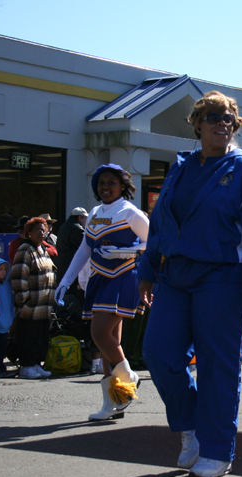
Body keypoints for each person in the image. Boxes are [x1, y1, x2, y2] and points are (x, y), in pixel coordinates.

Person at [138, 91, 242, 477]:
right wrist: (147, 269)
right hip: (173, 276)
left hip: (223, 279)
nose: (223, 123)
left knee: (218, 367)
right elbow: (161, 222)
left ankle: (217, 451)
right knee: (158, 353)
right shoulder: (180, 168)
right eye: (214, 117)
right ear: (197, 124)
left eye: (229, 119)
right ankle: (191, 427)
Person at [55, 164, 148, 421]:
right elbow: (84, 249)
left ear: (122, 186)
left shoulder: (130, 212)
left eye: (111, 183)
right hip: (99, 278)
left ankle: (128, 377)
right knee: (110, 344)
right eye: (101, 183)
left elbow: (155, 243)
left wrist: (124, 252)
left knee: (99, 334)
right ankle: (114, 401)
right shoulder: (95, 213)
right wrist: (66, 280)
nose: (105, 187)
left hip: (123, 277)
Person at [11, 217, 56, 379]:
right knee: (28, 337)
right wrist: (24, 301)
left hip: (44, 307)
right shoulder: (25, 250)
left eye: (44, 230)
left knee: (41, 337)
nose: (41, 233)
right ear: (29, 232)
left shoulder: (43, 250)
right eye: (38, 230)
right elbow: (18, 277)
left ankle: (36, 364)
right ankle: (27, 366)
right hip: (30, 308)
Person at [56, 207, 88, 281]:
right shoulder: (77, 230)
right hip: (71, 268)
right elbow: (87, 245)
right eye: (86, 218)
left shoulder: (63, 227)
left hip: (61, 267)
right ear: (80, 217)